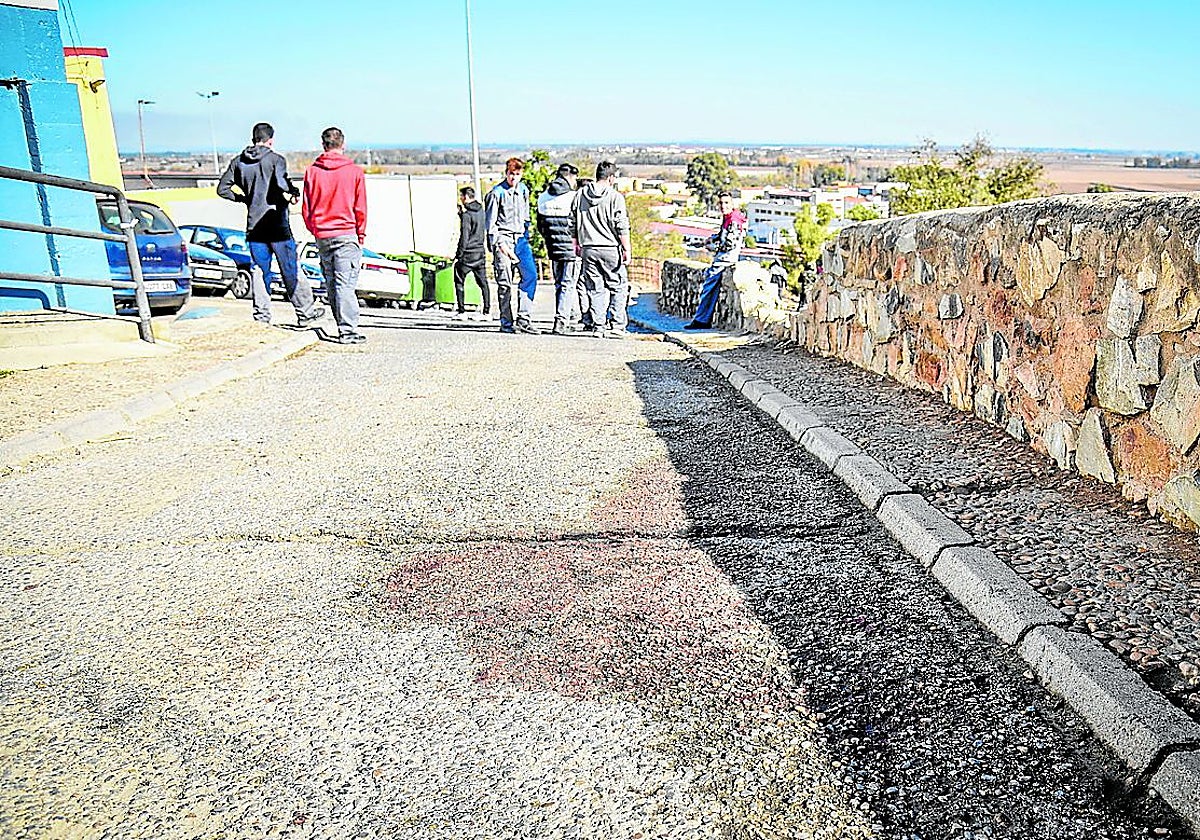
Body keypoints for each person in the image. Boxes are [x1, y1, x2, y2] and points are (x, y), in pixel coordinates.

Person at [217, 122, 323, 327]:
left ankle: (261, 318)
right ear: (271, 140)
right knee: (290, 268)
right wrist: (293, 192)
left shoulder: (238, 162)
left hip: (254, 227)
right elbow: (282, 184)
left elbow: (222, 189)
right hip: (278, 225)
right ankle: (305, 312)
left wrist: (243, 199)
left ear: (253, 138)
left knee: (259, 271)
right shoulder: (276, 160)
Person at [302, 126, 368, 345]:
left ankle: (342, 325)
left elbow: (307, 207)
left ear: (323, 145)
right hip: (346, 232)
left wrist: (315, 228)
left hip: (323, 233)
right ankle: (348, 330)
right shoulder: (354, 172)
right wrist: (360, 234)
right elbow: (360, 207)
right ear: (343, 144)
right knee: (345, 284)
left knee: (332, 283)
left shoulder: (312, 171)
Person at [570, 161, 631, 338]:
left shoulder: (580, 194)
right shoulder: (615, 197)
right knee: (618, 285)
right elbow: (621, 225)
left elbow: (572, 220)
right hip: (610, 247)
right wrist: (626, 248)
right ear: (611, 178)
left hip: (588, 248)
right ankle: (618, 324)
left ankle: (599, 325)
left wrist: (576, 242)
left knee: (594, 288)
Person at [485, 157, 539, 335]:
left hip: (520, 239)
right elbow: (491, 224)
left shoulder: (523, 190)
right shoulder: (497, 193)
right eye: (511, 174)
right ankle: (506, 321)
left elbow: (525, 215)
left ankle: (524, 317)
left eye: (517, 174)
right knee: (505, 283)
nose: (513, 178)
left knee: (530, 275)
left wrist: (526, 232)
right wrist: (499, 245)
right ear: (506, 173)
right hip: (504, 239)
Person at [684, 191, 747, 330]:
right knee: (709, 287)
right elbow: (722, 236)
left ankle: (701, 320)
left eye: (726, 203)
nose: (723, 206)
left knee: (708, 287)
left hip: (725, 259)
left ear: (732, 204)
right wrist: (712, 238)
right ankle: (702, 319)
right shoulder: (728, 218)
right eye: (721, 203)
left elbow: (730, 244)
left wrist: (712, 246)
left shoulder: (734, 220)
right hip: (723, 258)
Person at [536, 163, 580, 334]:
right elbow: (578, 224)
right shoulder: (573, 197)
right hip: (571, 247)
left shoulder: (543, 197)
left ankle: (571, 315)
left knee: (559, 284)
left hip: (552, 246)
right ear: (570, 177)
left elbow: (540, 225)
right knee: (569, 284)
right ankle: (562, 321)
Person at [453, 185, 490, 320]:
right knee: (483, 282)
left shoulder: (467, 216)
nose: (461, 199)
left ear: (466, 197)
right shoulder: (481, 211)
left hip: (468, 253)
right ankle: (487, 312)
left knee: (459, 280)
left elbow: (465, 237)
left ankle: (462, 311)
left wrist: (458, 255)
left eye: (462, 197)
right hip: (480, 252)